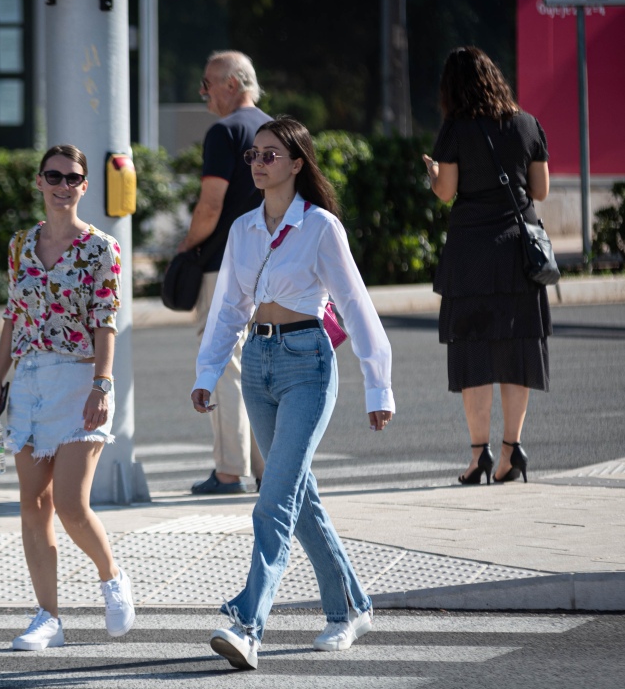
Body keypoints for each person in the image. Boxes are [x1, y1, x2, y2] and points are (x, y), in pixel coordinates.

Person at [191, 116, 394, 670]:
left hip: (308, 363)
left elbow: (355, 304)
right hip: (256, 364)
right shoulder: (243, 228)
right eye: (254, 156)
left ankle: (247, 623)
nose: (258, 163)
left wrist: (379, 385)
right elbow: (229, 308)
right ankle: (350, 606)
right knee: (297, 496)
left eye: (270, 155)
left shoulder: (321, 227)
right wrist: (208, 374)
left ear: (297, 164)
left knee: (273, 499)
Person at [0, 144, 135, 651]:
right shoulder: (20, 244)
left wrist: (103, 384)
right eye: (54, 176)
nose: (62, 185)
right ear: (40, 182)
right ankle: (48, 617)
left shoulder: (101, 249)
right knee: (35, 504)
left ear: (85, 186)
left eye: (72, 178)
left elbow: (105, 321)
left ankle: (111, 576)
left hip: (79, 379)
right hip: (27, 383)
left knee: (71, 503)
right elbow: (13, 316)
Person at [422, 47, 551, 485]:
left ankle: (479, 455)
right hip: (519, 252)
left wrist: (432, 174)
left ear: (452, 87)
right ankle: (512, 451)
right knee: (517, 350)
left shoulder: (456, 128)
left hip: (472, 251)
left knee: (473, 350)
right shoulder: (528, 124)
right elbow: (541, 190)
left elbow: (447, 192)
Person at [177, 50, 271, 495]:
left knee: (223, 364)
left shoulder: (225, 131)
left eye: (207, 82)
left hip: (225, 265)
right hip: (272, 265)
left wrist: (186, 247)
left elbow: (210, 205)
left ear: (232, 84)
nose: (203, 92)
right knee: (261, 366)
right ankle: (267, 467)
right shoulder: (277, 131)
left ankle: (229, 470)